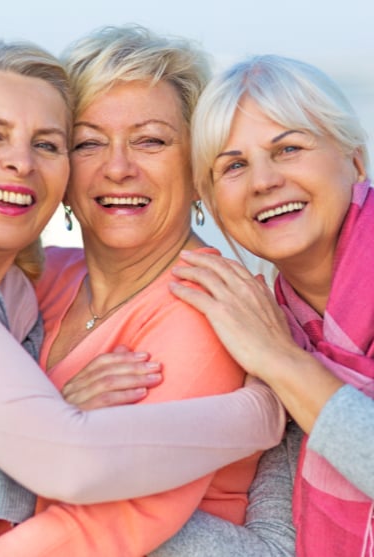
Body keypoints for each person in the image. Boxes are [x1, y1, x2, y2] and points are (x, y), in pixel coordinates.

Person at [0, 40, 285, 557]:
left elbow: (101, 527)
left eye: (150, 141)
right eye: (88, 143)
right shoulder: (36, 275)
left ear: (198, 170)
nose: (118, 167)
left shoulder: (209, 305)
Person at [156, 54, 374, 556]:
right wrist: (83, 494)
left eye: (289, 149)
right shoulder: (279, 324)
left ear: (356, 160)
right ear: (211, 204)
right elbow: (274, 550)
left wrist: (281, 362)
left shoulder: (273, 345)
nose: (263, 181)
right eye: (233, 166)